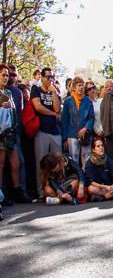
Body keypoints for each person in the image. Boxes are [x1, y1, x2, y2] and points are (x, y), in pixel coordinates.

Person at [0, 64, 30, 203]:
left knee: (16, 163)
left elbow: (16, 113)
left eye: (7, 75)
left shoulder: (10, 93)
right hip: (0, 132)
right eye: (3, 75)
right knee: (1, 164)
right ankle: (2, 195)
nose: (6, 78)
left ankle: (18, 191)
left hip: (11, 132)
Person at [31, 66, 62, 199]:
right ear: (42, 77)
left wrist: (54, 92)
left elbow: (57, 109)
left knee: (58, 161)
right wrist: (52, 114)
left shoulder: (54, 91)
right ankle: (41, 192)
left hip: (55, 131)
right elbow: (37, 107)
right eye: (48, 77)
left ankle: (60, 188)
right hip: (41, 130)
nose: (51, 80)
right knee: (41, 162)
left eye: (52, 77)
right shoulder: (36, 89)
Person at [60, 76, 94, 168]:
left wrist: (85, 128)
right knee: (73, 160)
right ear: (74, 87)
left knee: (86, 160)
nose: (81, 87)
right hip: (72, 135)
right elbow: (64, 121)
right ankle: (76, 180)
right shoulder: (68, 101)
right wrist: (64, 138)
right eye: (79, 85)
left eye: (82, 85)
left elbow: (91, 118)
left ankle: (86, 181)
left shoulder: (88, 101)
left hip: (85, 135)